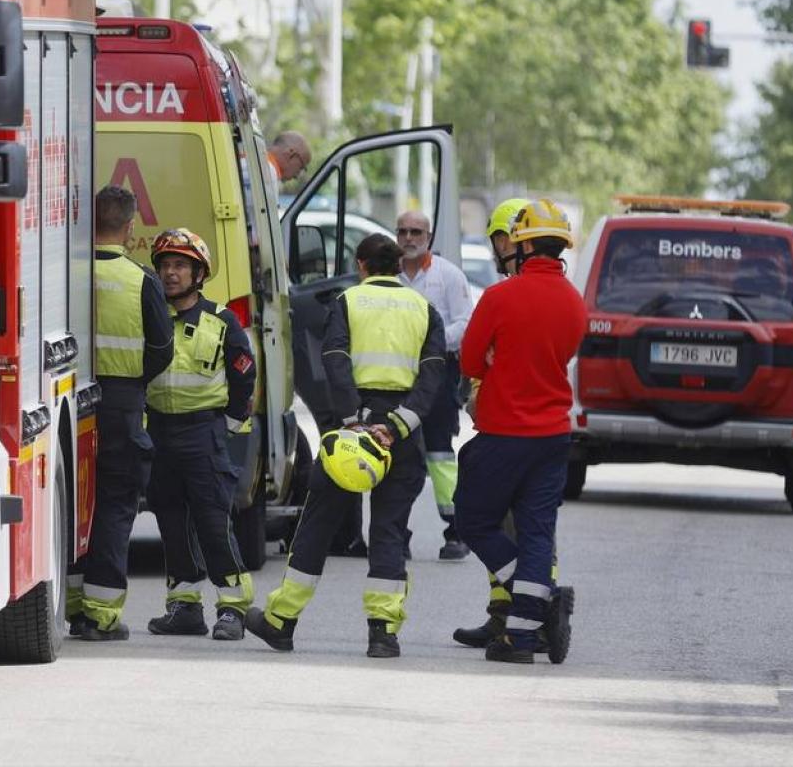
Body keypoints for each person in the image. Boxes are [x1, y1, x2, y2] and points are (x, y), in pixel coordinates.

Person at [245, 233, 448, 658]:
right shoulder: (424, 309)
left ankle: (281, 621)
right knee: (389, 531)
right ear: (397, 267)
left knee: (318, 523)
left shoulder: (348, 302)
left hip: (354, 428)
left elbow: (334, 361)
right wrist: (397, 426)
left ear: (361, 265)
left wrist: (354, 420)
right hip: (403, 433)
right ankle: (383, 633)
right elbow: (433, 376)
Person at [454, 199, 585, 664]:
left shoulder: (499, 298)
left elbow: (470, 362)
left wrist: (493, 362)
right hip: (553, 438)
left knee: (473, 520)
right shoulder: (574, 303)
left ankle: (540, 604)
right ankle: (521, 638)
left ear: (523, 245)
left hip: (504, 433)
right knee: (535, 533)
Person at [68, 186, 176, 641]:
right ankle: (100, 614)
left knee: (72, 504)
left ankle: (72, 605)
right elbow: (162, 349)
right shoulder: (142, 280)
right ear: (130, 229)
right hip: (121, 403)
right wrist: (135, 380)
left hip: (68, 400)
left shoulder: (67, 272)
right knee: (114, 505)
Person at [144, 228, 258, 640]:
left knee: (213, 522)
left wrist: (225, 425)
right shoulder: (150, 316)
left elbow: (244, 373)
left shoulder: (222, 320)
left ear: (198, 274)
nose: (171, 274)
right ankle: (185, 607)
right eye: (165, 266)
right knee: (171, 523)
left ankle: (232, 609)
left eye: (180, 266)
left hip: (203, 434)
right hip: (160, 433)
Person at [396, 208, 473, 560]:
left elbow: (465, 323)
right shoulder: (390, 277)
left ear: (429, 237)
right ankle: (395, 532)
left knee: (440, 453)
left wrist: (433, 342)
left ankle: (456, 532)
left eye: (416, 232)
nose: (409, 238)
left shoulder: (449, 276)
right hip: (397, 376)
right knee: (397, 455)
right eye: (403, 232)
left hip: (438, 374)